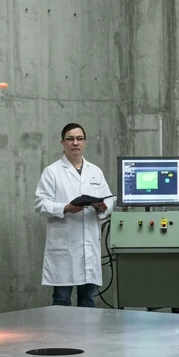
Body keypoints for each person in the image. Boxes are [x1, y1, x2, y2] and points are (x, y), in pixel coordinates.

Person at [34, 123, 114, 306]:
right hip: (64, 249)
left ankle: (88, 336)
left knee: (87, 300)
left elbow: (109, 200)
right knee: (62, 300)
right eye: (70, 139)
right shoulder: (52, 172)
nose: (75, 143)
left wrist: (103, 206)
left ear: (84, 143)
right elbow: (40, 204)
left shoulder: (95, 172)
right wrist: (66, 208)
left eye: (79, 139)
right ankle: (61, 336)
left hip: (89, 247)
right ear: (63, 143)